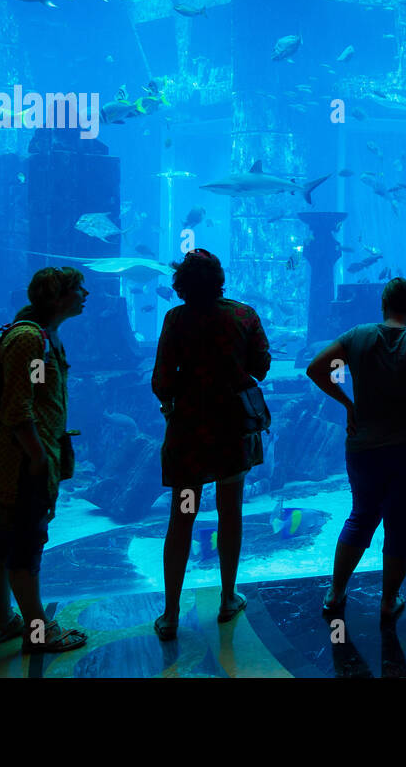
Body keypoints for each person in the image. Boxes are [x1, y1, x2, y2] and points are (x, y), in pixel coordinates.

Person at [306, 277, 406, 619]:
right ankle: (388, 599)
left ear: (383, 304)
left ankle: (335, 593)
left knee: (361, 516)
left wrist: (348, 404)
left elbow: (317, 368)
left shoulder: (357, 335)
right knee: (402, 520)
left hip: (364, 446)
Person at [0, 266, 90, 653]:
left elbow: (32, 396)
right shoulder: (29, 340)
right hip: (24, 462)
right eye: (77, 289)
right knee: (26, 544)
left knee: (5, 540)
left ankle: (2, 622)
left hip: (29, 457)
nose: (85, 293)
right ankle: (38, 632)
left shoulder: (44, 337)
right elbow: (18, 407)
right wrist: (38, 458)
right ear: (56, 298)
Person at [150, 249, 271, 640]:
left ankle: (170, 613)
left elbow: (162, 379)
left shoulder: (175, 319)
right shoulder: (242, 314)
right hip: (231, 430)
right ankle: (227, 597)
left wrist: (176, 401)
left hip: (188, 434)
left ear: (181, 283)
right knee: (230, 512)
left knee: (182, 516)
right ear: (220, 278)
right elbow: (261, 366)